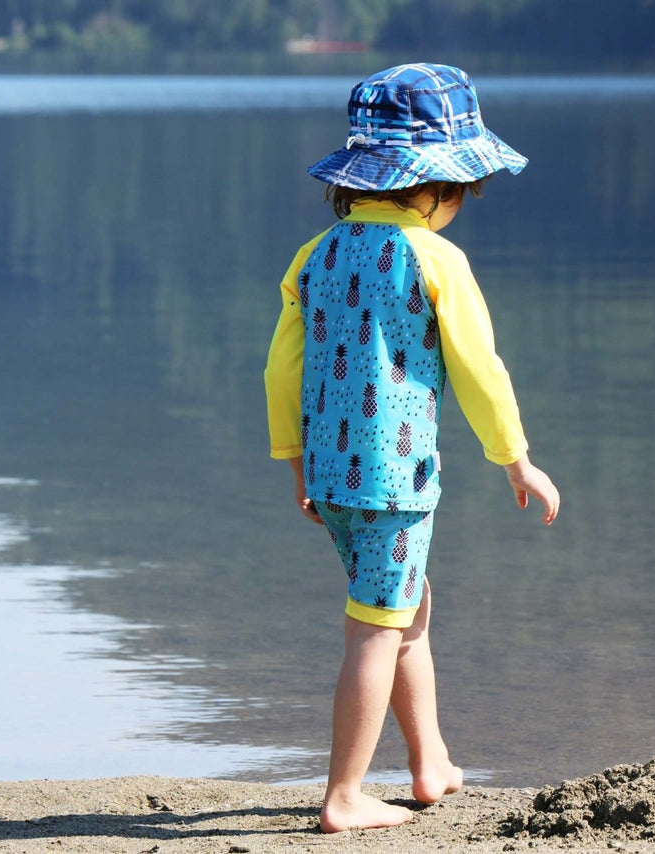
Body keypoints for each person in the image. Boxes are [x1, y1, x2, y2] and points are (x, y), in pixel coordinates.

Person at [264, 63, 560, 834]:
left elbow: (279, 369)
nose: (461, 203)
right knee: (375, 628)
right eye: (460, 189)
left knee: (403, 608)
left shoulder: (314, 255)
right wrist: (515, 457)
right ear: (430, 188)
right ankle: (345, 795)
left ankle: (429, 761)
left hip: (330, 477)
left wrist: (294, 460)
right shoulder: (436, 261)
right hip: (394, 479)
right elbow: (478, 368)